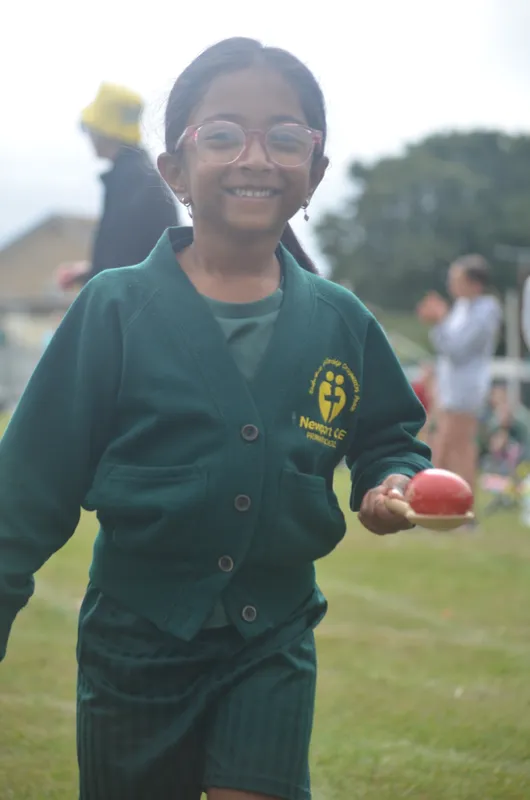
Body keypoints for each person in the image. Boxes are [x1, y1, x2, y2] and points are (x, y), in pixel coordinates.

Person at [0, 38, 432, 800]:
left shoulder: (342, 321)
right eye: (224, 133)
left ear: (315, 172)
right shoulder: (114, 309)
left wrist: (391, 481)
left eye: (286, 137)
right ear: (175, 170)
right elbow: (31, 483)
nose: (255, 157)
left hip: (273, 638)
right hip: (135, 643)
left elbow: (390, 437)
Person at [57, 82, 179, 289]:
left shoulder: (130, 182)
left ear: (103, 131)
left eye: (89, 129)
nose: (89, 136)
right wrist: (89, 271)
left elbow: (122, 266)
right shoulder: (139, 176)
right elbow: (131, 254)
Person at [417, 254, 502, 507]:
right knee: (442, 445)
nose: (451, 284)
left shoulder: (487, 309)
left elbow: (458, 349)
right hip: (449, 389)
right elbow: (445, 348)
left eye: (457, 279)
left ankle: (464, 507)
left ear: (475, 283)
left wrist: (439, 319)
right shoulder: (461, 307)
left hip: (466, 391)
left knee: (460, 448)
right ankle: (439, 504)